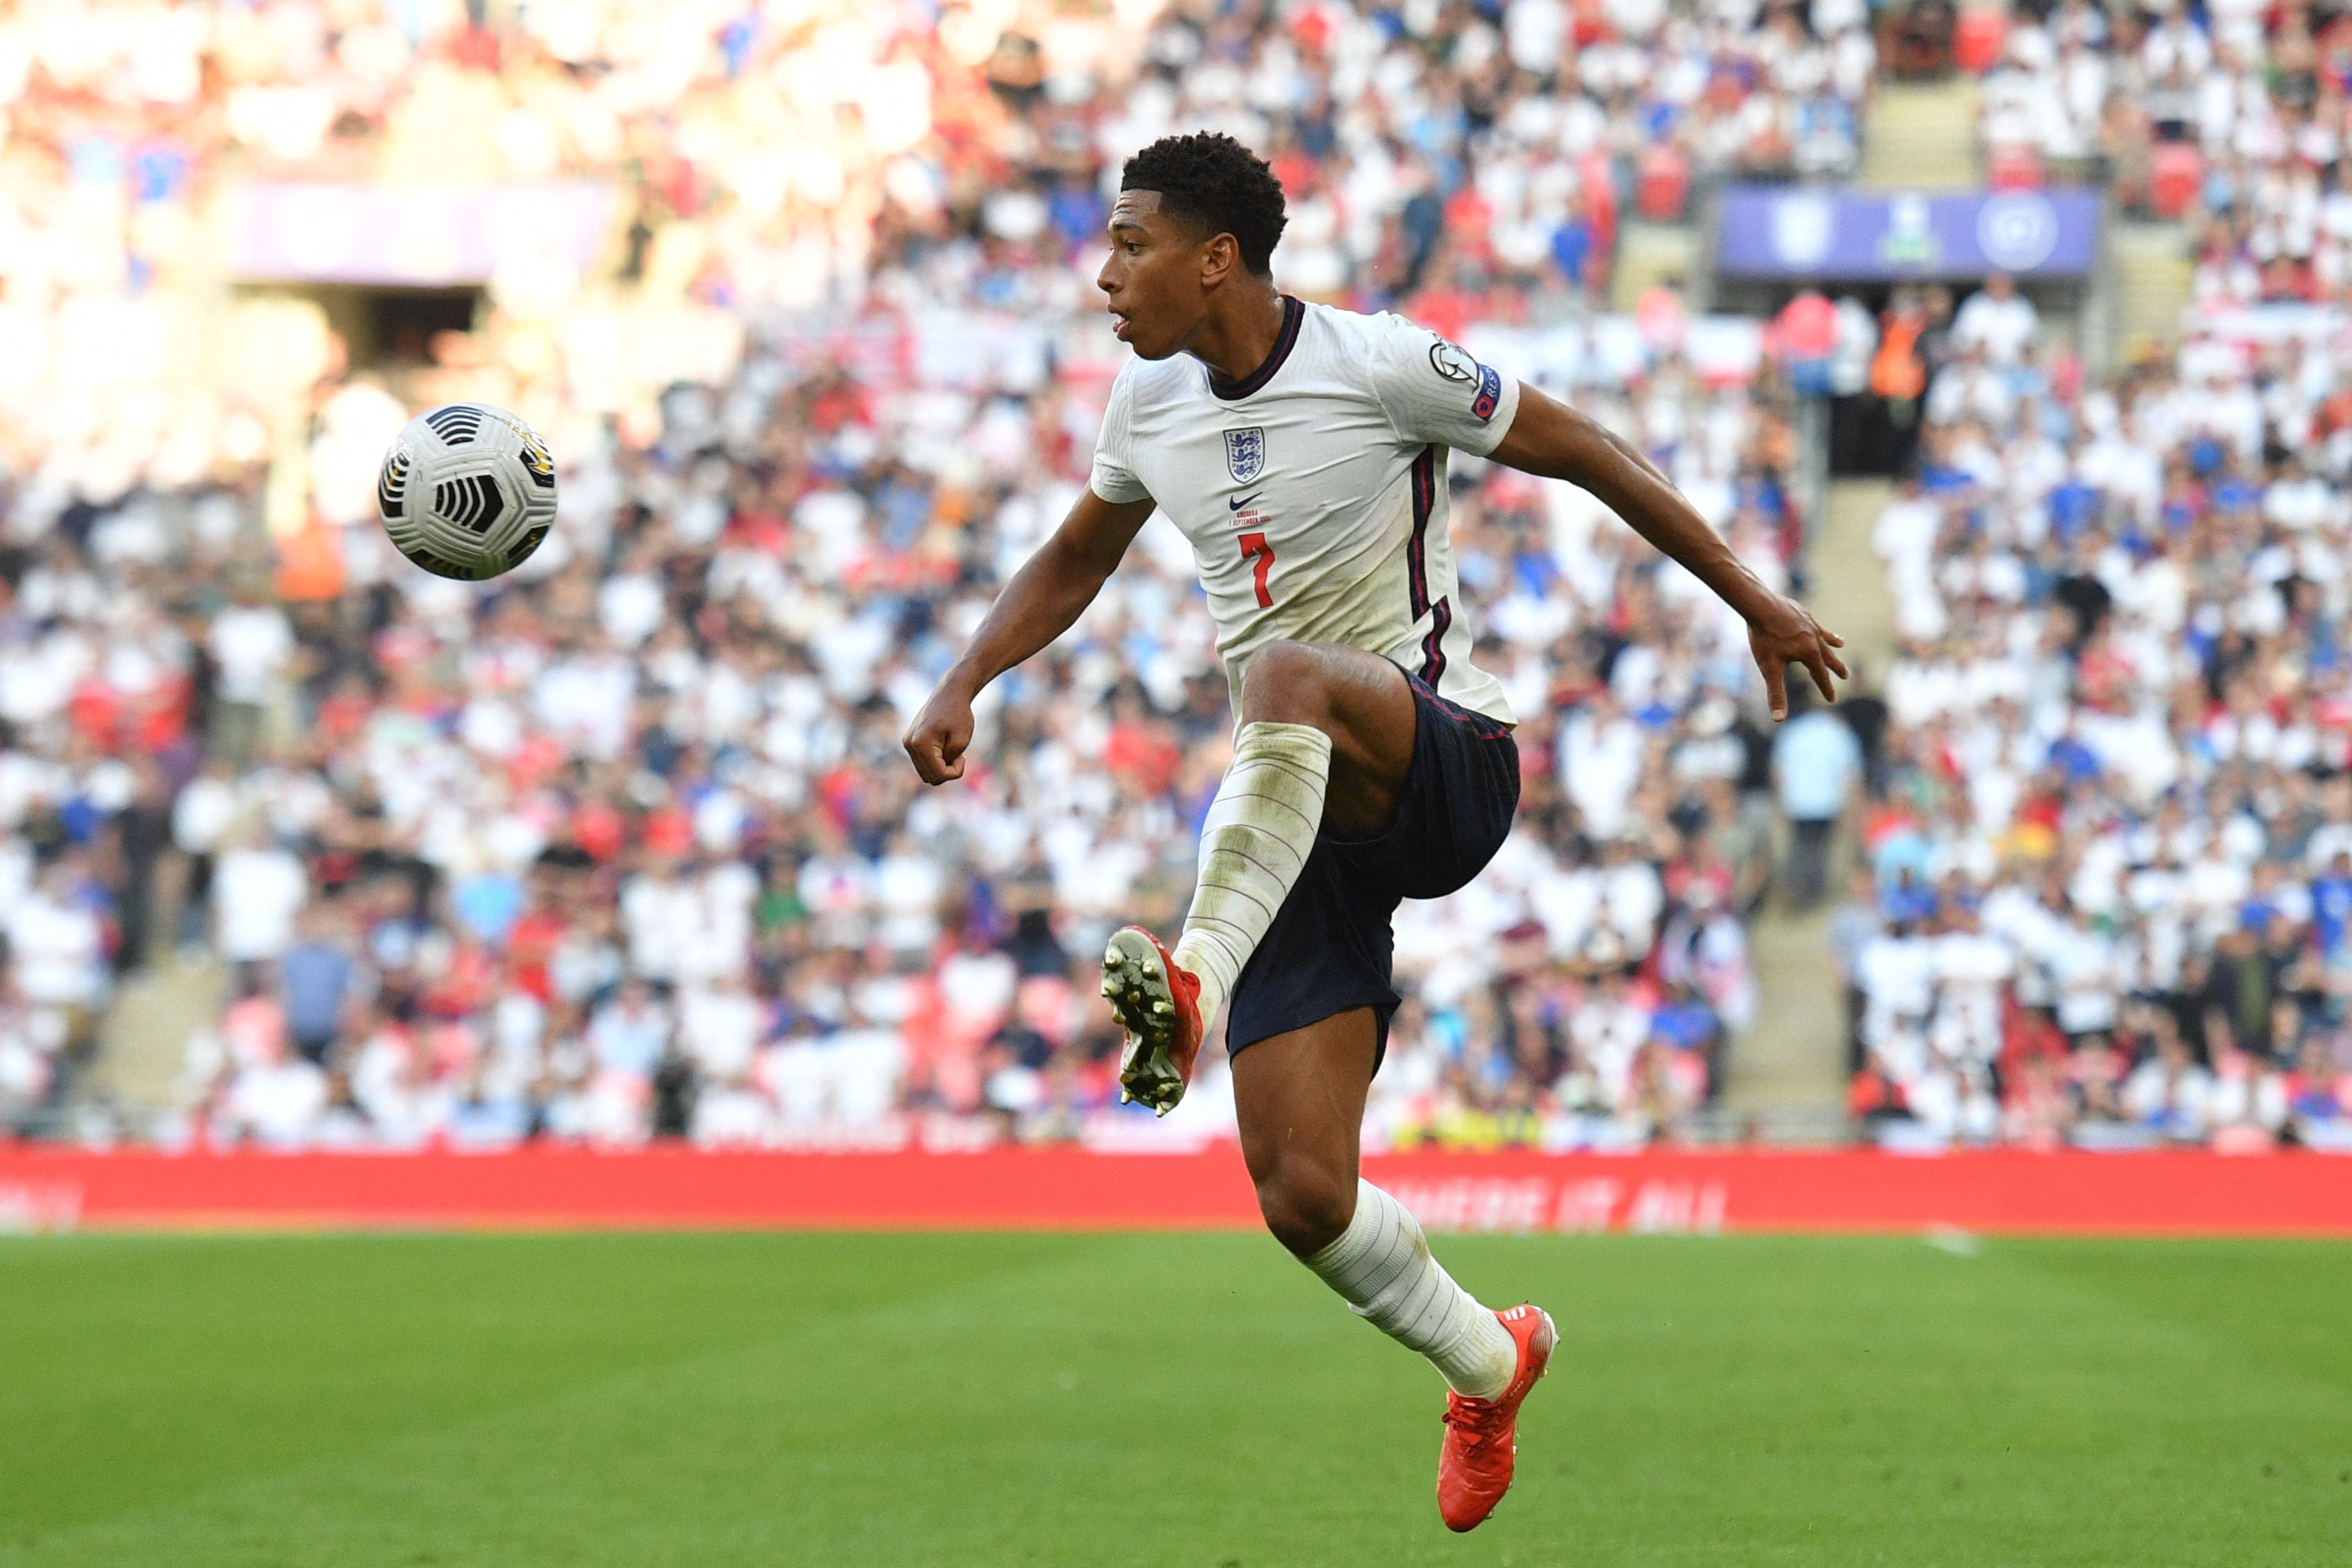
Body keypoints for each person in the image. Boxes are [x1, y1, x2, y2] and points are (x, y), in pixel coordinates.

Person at [901, 132, 1846, 1532]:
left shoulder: (1382, 363)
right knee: (1297, 1187)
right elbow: (1077, 554)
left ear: (1216, 257)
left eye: (1131, 244)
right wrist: (968, 672)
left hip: (1442, 758)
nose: (1105, 277)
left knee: (1279, 672)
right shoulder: (1146, 402)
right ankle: (1489, 1356)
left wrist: (1752, 597)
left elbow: (1583, 447)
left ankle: (1196, 976)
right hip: (1303, 818)